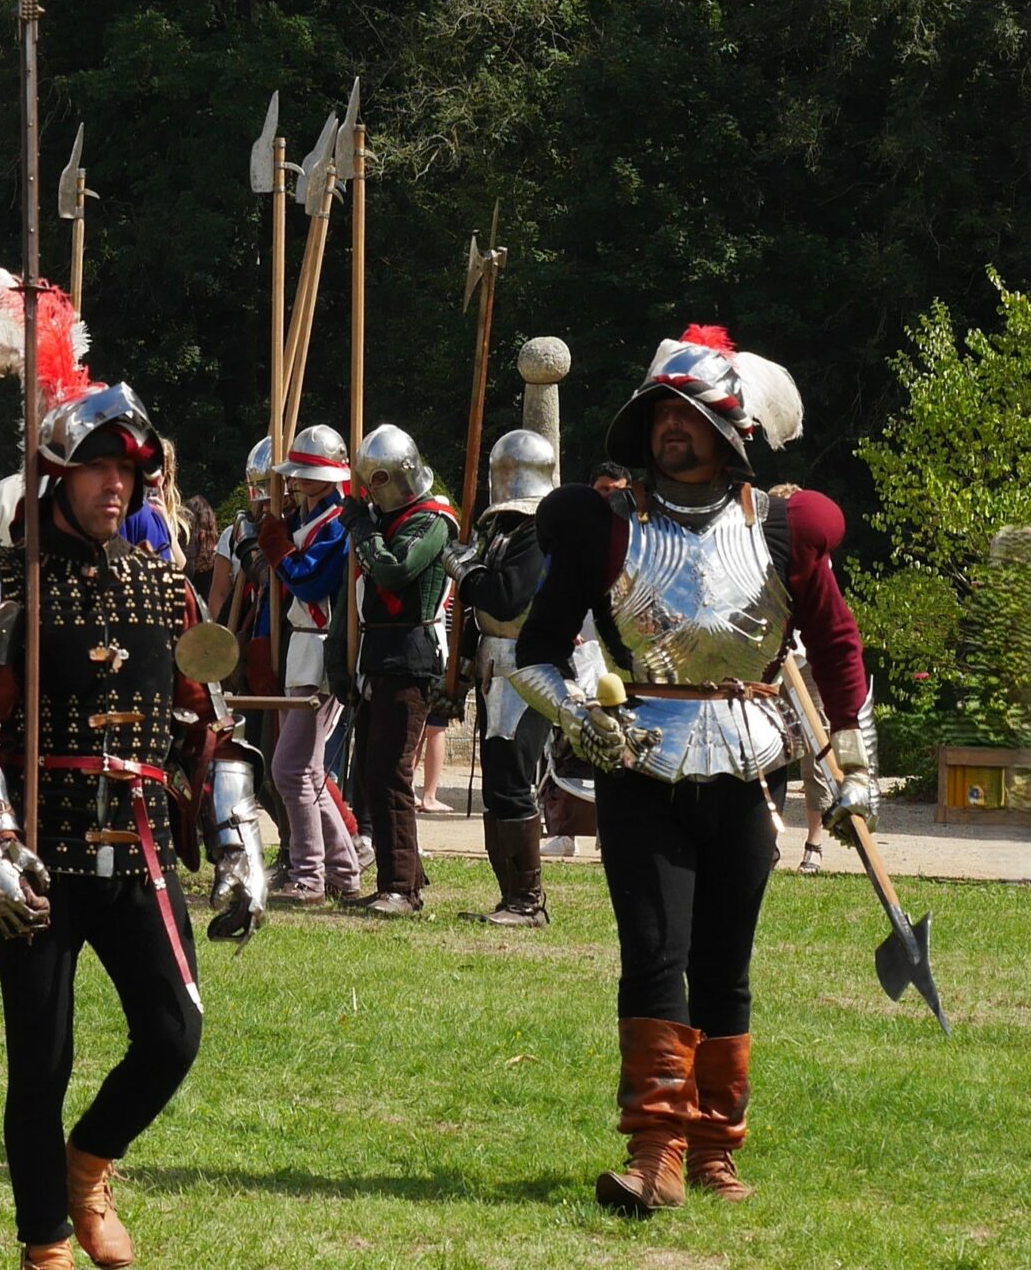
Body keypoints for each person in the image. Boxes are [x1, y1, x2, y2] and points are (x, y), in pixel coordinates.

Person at [512, 326, 875, 1216]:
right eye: (660, 416)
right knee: (654, 953)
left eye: (691, 416)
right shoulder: (604, 526)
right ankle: (656, 1150)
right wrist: (584, 722)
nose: (672, 428)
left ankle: (715, 1149)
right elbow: (534, 653)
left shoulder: (782, 527)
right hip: (641, 766)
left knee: (725, 964)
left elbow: (837, 649)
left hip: (751, 769)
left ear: (729, 429)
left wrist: (854, 764)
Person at [0, 384, 264, 1270]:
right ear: (57, 476)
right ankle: (45, 1243)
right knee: (40, 1063)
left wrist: (239, 846)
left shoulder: (166, 587)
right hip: (37, 851)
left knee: (174, 1032)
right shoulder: (1, 588)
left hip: (141, 847)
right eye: (96, 468)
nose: (114, 486)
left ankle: (87, 1168)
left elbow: (208, 726)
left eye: (127, 471)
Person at [444, 428, 563, 926]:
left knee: (513, 782)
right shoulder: (502, 531)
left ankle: (528, 901)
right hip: (496, 662)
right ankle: (510, 895)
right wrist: (461, 669)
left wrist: (466, 573)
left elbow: (507, 597)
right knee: (498, 785)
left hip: (527, 666)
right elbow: (481, 612)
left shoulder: (538, 533)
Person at [340, 425, 459, 915]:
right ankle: (401, 873)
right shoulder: (380, 520)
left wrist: (363, 531)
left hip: (412, 656)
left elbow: (395, 571)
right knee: (371, 773)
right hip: (379, 654)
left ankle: (402, 888)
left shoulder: (433, 520)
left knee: (391, 772)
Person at [256, 426, 361, 906]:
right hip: (301, 647)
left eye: (304, 473)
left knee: (291, 770)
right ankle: (341, 870)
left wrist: (278, 548)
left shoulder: (338, 523)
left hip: (322, 650)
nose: (296, 481)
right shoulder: (305, 516)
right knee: (307, 771)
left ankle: (310, 875)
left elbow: (310, 582)